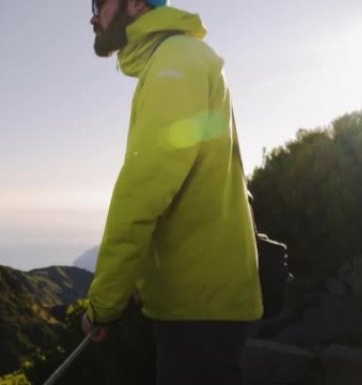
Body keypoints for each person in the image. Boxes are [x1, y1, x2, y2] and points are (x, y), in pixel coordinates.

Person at [81, 1, 264, 384]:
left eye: (100, 2)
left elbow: (144, 190)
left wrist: (104, 303)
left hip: (199, 310)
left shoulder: (175, 62)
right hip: (201, 303)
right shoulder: (177, 59)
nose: (92, 15)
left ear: (135, 3)